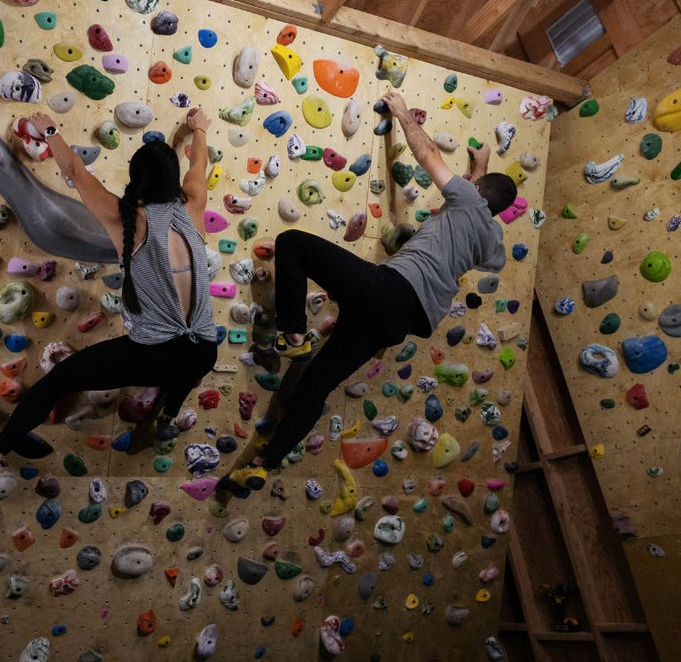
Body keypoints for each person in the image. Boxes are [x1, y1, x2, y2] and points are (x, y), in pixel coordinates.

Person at [219, 91, 517, 495]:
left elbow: (429, 153)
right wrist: (481, 167)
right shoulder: (493, 242)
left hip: (390, 291)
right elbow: (482, 199)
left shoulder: (466, 199)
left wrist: (401, 112)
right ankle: (262, 464)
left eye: (474, 184)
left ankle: (292, 335)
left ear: (475, 190)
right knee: (317, 384)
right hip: (402, 323)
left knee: (292, 242)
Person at [0, 108, 221, 468]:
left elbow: (76, 172)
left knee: (61, 379)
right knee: (183, 364)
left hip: (158, 354)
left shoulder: (126, 218)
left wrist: (49, 129)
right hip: (204, 350)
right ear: (175, 180)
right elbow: (198, 165)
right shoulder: (195, 204)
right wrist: (198, 129)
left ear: (134, 180)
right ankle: (168, 416)